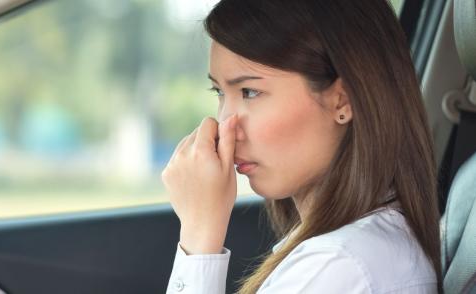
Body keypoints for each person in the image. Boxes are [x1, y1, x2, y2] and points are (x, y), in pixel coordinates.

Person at [161, 0, 442, 293]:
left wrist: (199, 239)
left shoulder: (337, 267)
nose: (224, 126)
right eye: (220, 92)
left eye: (250, 92)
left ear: (342, 100)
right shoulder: (361, 249)